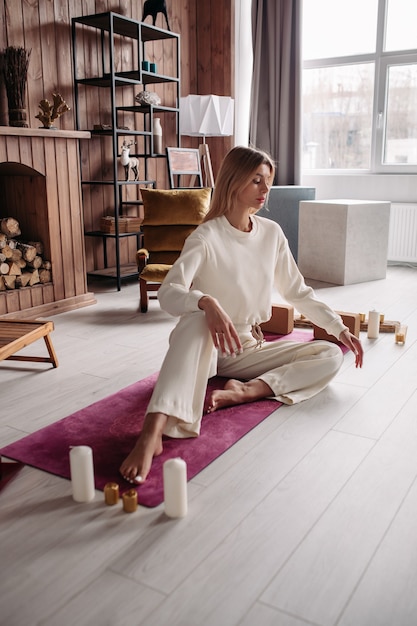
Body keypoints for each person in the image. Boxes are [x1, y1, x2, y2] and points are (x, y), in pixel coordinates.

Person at [120, 146, 363, 484]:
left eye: (268, 182)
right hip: (203, 344)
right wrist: (205, 302)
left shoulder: (272, 233)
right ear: (234, 182)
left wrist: (338, 329)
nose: (266, 190)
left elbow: (296, 291)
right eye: (256, 181)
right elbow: (169, 293)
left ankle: (248, 391)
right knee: (194, 321)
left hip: (244, 347)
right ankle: (152, 432)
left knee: (328, 355)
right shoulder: (205, 236)